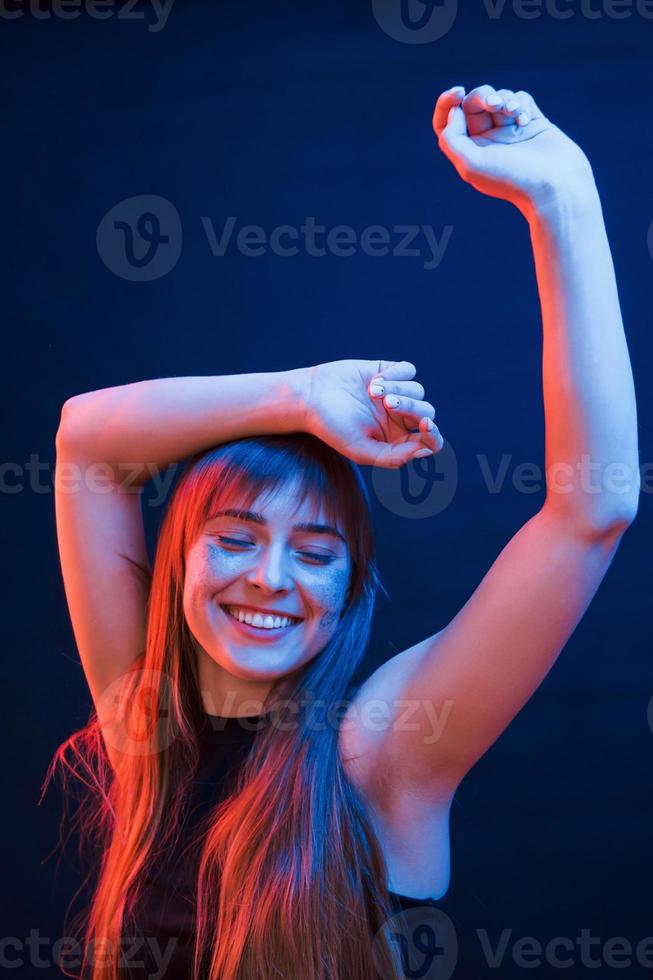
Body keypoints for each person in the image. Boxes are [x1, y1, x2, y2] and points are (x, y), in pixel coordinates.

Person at [47, 83, 639, 980]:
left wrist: (563, 199)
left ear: (349, 594)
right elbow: (84, 440)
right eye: (236, 537)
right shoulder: (143, 723)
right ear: (179, 561)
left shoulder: (377, 755)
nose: (271, 577)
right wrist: (297, 393)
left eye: (316, 554)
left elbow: (592, 512)